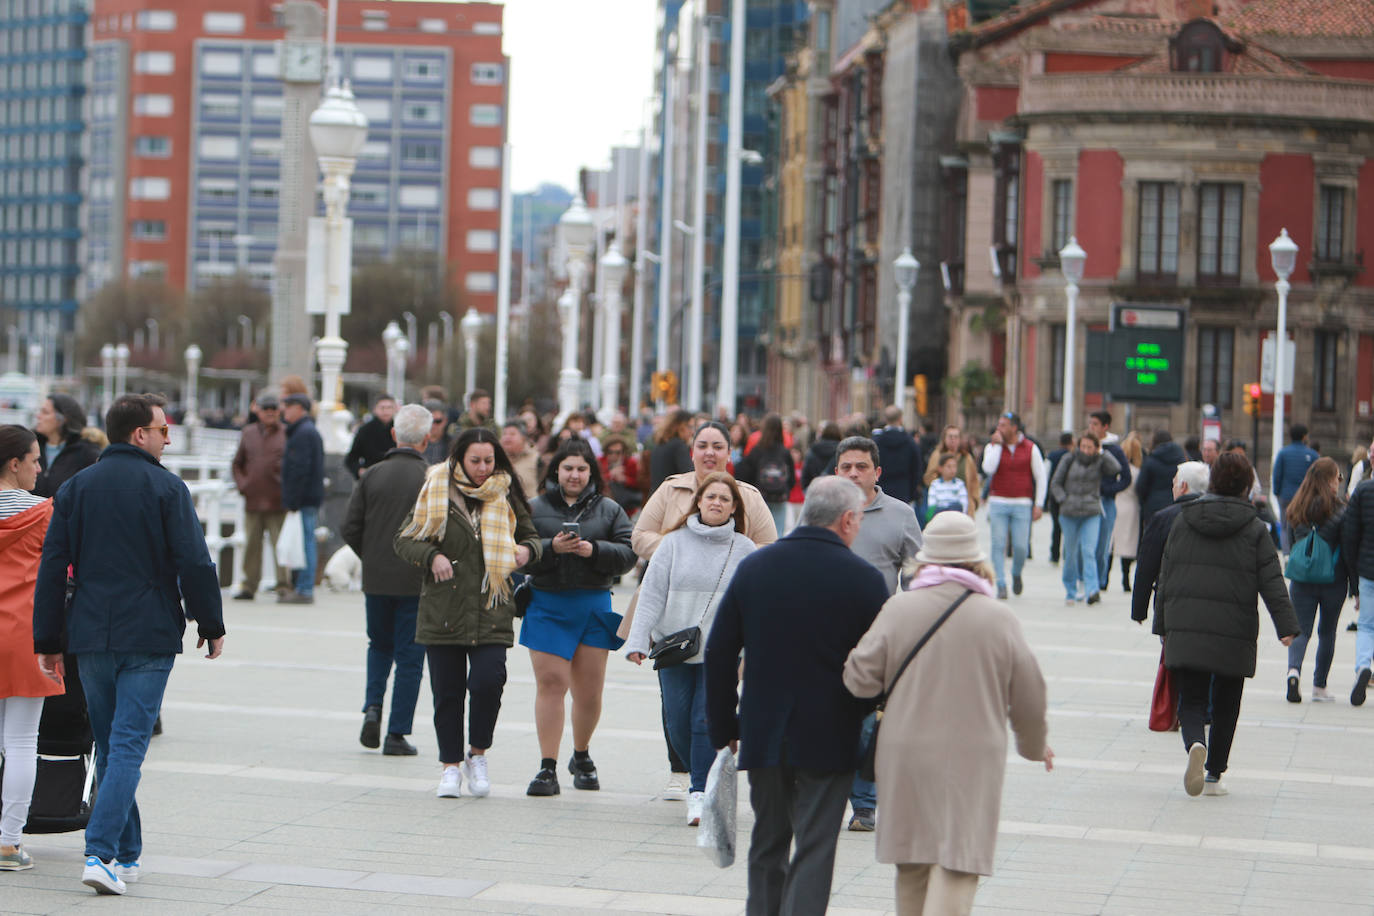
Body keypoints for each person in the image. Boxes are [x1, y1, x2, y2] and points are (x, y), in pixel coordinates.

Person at [32, 394, 225, 895]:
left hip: (91, 633)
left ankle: (128, 851)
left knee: (114, 743)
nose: (168, 437)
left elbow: (53, 567)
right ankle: (100, 852)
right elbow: (196, 562)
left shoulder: (75, 487)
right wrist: (210, 621)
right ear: (140, 433)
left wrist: (48, 638)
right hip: (150, 632)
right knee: (127, 747)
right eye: (163, 429)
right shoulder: (167, 487)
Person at [843, 512, 1052, 915]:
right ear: (975, 559)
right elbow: (1029, 694)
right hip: (972, 756)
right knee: (959, 860)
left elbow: (859, 680)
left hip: (905, 752)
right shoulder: (998, 618)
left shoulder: (898, 609)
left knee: (912, 859)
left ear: (926, 559)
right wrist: (1034, 745)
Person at [704, 476, 889, 914]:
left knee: (768, 841)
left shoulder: (757, 567)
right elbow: (882, 663)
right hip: (833, 733)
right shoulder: (864, 580)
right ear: (846, 520)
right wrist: (865, 712)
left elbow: (719, 650)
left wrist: (723, 725)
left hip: (764, 729)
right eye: (858, 520)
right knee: (815, 846)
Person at [626, 420, 777, 800]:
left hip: (723, 622)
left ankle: (699, 783)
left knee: (707, 710)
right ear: (692, 451)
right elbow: (639, 536)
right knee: (675, 708)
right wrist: (680, 550)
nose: (710, 452)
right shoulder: (670, 489)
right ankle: (683, 767)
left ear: (730, 453)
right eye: (703, 445)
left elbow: (769, 547)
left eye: (718, 446)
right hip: (671, 615)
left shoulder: (748, 496)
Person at [393, 428, 540, 799]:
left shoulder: (504, 492)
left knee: (489, 683)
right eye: (475, 461)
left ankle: (478, 754)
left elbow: (531, 535)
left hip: (492, 606)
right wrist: (432, 555)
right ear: (459, 458)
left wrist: (526, 552)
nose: (482, 468)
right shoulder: (437, 488)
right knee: (448, 692)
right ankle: (450, 767)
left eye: (489, 461)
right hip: (444, 608)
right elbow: (405, 539)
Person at [1154, 453, 1298, 796]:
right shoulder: (1254, 528)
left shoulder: (1184, 520)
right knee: (1227, 702)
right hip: (1235, 629)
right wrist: (1286, 625)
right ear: (1247, 486)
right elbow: (1273, 580)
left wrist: (1162, 626)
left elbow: (1167, 575)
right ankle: (1215, 772)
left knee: (1190, 699)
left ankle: (1193, 744)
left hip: (1187, 625)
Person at [626, 472, 755, 824]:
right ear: (698, 501)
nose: (716, 503)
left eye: (724, 499)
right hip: (674, 648)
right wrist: (637, 640)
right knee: (678, 723)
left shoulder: (745, 549)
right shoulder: (672, 543)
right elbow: (651, 594)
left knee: (704, 720)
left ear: (734, 508)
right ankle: (705, 772)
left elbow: (755, 603)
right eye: (710, 497)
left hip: (721, 652)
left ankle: (699, 792)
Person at [523, 440, 636, 796]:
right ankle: (547, 767)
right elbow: (516, 551)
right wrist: (549, 549)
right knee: (552, 683)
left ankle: (581, 753)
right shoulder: (533, 508)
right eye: (568, 467)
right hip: (546, 602)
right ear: (555, 470)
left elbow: (630, 552)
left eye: (582, 469)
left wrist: (594, 550)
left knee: (588, 693)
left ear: (592, 473)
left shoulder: (610, 509)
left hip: (592, 603)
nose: (574, 475)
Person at [832, 435, 921, 831]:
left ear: (877, 472)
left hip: (877, 637)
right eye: (846, 467)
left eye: (861, 467)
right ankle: (826, 794)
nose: (853, 473)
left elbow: (916, 572)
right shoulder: (822, 510)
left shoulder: (901, 515)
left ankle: (865, 803)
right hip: (825, 635)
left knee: (870, 721)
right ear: (836, 472)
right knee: (827, 718)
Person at [341, 404, 432, 757]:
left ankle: (373, 706)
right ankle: (397, 733)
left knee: (378, 645)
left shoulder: (372, 474)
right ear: (427, 439)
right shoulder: (433, 478)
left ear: (394, 435)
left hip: (376, 579)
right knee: (411, 656)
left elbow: (350, 527)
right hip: (418, 579)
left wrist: (374, 556)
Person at [0, 426, 65, 871]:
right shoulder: (44, 512)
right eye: (35, 460)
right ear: (14, 463)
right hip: (25, 633)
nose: (40, 469)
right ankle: (8, 842)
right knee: (22, 740)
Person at [1283, 457, 1352, 704]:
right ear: (1330, 480)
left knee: (1301, 630)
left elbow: (1290, 540)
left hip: (1302, 578)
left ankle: (1293, 672)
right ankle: (1319, 686)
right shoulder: (1340, 509)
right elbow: (1347, 547)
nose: (1339, 483)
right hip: (1333, 579)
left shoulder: (1296, 506)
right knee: (1327, 632)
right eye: (1337, 478)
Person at [1130, 461, 1209, 625]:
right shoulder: (1216, 515)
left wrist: (1139, 609)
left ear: (1183, 486)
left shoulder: (1163, 519)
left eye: (1174, 483)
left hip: (1172, 602)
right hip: (1209, 604)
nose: (1172, 488)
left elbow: (1146, 567)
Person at [981, 412, 1046, 600]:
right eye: (999, 424)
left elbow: (1040, 476)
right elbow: (988, 469)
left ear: (1014, 428)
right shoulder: (992, 447)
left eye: (1003, 425)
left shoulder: (1030, 448)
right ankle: (1001, 582)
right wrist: (997, 446)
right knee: (998, 543)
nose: (999, 428)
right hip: (998, 501)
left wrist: (1039, 504)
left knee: (1020, 547)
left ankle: (1017, 572)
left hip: (1022, 503)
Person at [1050, 432, 1121, 605]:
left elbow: (1116, 469)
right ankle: (1070, 590)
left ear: (1096, 447)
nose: (1086, 450)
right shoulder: (1068, 459)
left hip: (1091, 511)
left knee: (1089, 551)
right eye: (1083, 446)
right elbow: (1055, 483)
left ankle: (1092, 590)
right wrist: (1063, 499)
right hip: (1069, 512)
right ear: (1078, 446)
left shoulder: (1100, 461)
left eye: (1090, 447)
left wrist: (1103, 453)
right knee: (1071, 553)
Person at [230, 393, 287, 600]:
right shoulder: (248, 432)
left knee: (280, 545)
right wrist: (243, 484)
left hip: (278, 499)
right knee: (251, 546)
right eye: (266, 409)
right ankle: (249, 585)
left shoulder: (287, 433)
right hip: (253, 499)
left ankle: (284, 585)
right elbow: (237, 463)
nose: (270, 413)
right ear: (258, 411)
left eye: (274, 409)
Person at [279, 393, 324, 605]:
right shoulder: (307, 431)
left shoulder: (302, 433)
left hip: (303, 498)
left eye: (289, 406)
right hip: (308, 497)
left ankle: (304, 588)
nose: (284, 410)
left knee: (305, 542)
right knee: (305, 541)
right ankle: (303, 586)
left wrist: (293, 500)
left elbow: (300, 469)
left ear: (300, 408)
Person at [1087, 411, 1133, 592]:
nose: (1092, 427)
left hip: (1106, 502)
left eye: (1095, 424)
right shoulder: (1085, 446)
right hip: (1086, 500)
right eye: (1090, 423)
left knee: (1102, 546)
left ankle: (1099, 581)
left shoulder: (1114, 449)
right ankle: (1087, 582)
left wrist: (1109, 490)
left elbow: (1126, 477)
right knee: (1086, 545)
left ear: (1105, 427)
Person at [735, 412, 795, 534]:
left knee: (760, 532)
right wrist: (785, 489)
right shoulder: (784, 452)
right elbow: (792, 478)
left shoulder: (757, 450)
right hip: (779, 497)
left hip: (760, 496)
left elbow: (745, 473)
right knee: (777, 532)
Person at [32, 394, 101, 498]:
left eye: (45, 412)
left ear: (63, 419)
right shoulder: (29, 447)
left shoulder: (87, 452)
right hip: (32, 513)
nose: (38, 416)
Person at [1272, 424, 1320, 552]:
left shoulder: (1283, 453)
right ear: (1304, 436)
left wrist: (1277, 493)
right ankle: (1302, 551)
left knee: (1284, 526)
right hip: (1306, 498)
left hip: (1286, 496)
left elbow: (1277, 475)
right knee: (1305, 525)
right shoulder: (1313, 455)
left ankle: (1287, 553)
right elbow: (1318, 477)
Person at [872, 405, 923, 508]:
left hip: (881, 491)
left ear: (886, 419)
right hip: (903, 492)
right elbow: (917, 469)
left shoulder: (876, 442)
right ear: (900, 419)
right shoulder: (910, 442)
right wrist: (911, 492)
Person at [922, 424, 980, 515]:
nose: (953, 439)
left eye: (956, 437)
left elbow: (974, 481)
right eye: (950, 436)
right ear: (944, 438)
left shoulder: (966, 457)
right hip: (942, 507)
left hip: (964, 508)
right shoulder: (937, 455)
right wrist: (943, 478)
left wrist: (975, 501)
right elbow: (928, 477)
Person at [1135, 429, 1186, 532]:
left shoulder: (1150, 460)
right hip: (1175, 505)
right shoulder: (1181, 460)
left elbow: (1140, 487)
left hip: (1153, 506)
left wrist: (1144, 502)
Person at [1113, 432, 1144, 590]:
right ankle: (1126, 580)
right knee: (1128, 544)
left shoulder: (1118, 470)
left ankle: (1105, 578)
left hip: (1118, 505)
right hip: (1132, 508)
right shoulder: (1139, 472)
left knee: (1113, 543)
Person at [344, 394, 396, 479]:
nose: (386, 411)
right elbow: (351, 458)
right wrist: (359, 470)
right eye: (382, 408)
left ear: (394, 410)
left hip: (394, 476)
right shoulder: (365, 430)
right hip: (371, 477)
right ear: (375, 409)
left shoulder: (399, 430)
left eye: (389, 408)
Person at [1044, 432, 1074, 563]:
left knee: (1056, 526)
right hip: (1069, 494)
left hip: (1054, 494)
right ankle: (1067, 554)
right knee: (1069, 527)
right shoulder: (1073, 456)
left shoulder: (1052, 456)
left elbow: (1046, 474)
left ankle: (1054, 553)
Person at [649, 409, 695, 493]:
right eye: (689, 426)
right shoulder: (678, 446)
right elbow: (689, 476)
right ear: (680, 426)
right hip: (671, 497)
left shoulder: (659, 444)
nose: (692, 431)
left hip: (656, 497)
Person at [598, 436, 642, 515]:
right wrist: (610, 475)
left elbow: (639, 484)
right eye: (610, 452)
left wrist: (625, 479)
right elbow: (596, 480)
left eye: (618, 452)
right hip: (605, 505)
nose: (614, 455)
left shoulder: (630, 463)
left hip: (627, 506)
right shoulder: (600, 461)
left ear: (624, 452)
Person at [500, 420, 541, 498]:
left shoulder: (536, 459)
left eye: (512, 434)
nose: (507, 437)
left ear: (523, 438)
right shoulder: (494, 460)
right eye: (504, 434)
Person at [926, 453, 971, 519]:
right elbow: (932, 504)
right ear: (940, 468)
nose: (952, 469)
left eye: (954, 466)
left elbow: (964, 504)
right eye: (949, 466)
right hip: (940, 518)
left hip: (956, 518)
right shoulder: (935, 485)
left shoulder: (960, 484)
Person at [801, 421, 842, 490]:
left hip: (815, 489)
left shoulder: (813, 450)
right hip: (836, 490)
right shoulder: (842, 451)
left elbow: (805, 475)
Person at [421, 399, 452, 465]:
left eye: (438, 421)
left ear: (445, 421)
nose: (433, 425)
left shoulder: (453, 444)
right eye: (429, 421)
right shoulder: (415, 444)